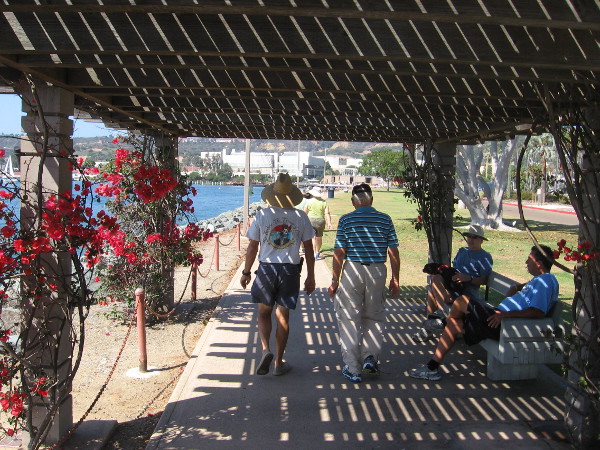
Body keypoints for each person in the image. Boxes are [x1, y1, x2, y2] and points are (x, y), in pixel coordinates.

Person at [409, 244, 559, 381]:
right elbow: (526, 294)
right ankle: (431, 368)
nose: (526, 263)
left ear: (539, 263)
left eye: (529, 259)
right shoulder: (539, 279)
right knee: (453, 325)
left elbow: (538, 311)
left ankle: (443, 320)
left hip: (505, 324)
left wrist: (504, 315)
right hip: (498, 318)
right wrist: (517, 288)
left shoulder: (546, 281)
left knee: (462, 301)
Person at [240, 173, 316, 376]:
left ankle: (265, 350)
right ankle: (279, 363)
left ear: (273, 195)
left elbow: (252, 246)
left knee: (263, 313)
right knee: (283, 317)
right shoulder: (301, 217)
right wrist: (310, 276)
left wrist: (246, 272)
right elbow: (308, 247)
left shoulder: (263, 215)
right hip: (290, 270)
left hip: (266, 269)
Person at [327, 183, 400, 383]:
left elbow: (339, 252)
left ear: (353, 201)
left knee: (349, 318)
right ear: (371, 200)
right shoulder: (385, 219)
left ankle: (352, 368)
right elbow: (393, 251)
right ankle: (370, 357)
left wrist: (334, 280)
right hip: (377, 269)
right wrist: (395, 278)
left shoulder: (346, 220)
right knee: (374, 317)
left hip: (353, 269)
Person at [413, 224, 493, 342]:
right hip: (454, 286)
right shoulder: (462, 251)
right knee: (435, 280)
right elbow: (454, 268)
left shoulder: (485, 257)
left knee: (433, 293)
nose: (470, 239)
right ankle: (443, 313)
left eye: (474, 237)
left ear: (481, 240)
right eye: (469, 236)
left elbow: (484, 280)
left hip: (468, 292)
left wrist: (469, 278)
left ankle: (429, 327)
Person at [304, 187, 332, 260]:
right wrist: (329, 223)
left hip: (311, 220)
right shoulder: (324, 202)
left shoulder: (309, 201)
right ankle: (317, 252)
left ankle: (313, 253)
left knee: (313, 237)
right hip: (321, 221)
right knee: (319, 237)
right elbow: (327, 213)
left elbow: (305, 212)